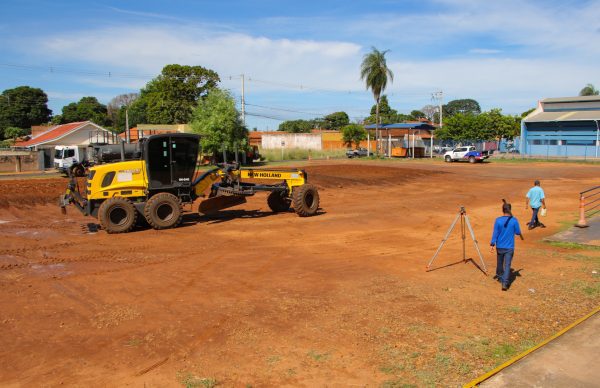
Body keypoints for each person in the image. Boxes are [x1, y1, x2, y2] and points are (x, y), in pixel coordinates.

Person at [490, 200, 524, 291]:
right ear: (510, 210)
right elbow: (517, 232)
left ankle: (500, 277)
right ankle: (505, 283)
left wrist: (492, 243)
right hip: (509, 247)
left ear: (503, 210)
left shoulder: (498, 220)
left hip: (500, 246)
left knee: (500, 263)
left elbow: (495, 233)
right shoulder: (514, 220)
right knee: (507, 265)